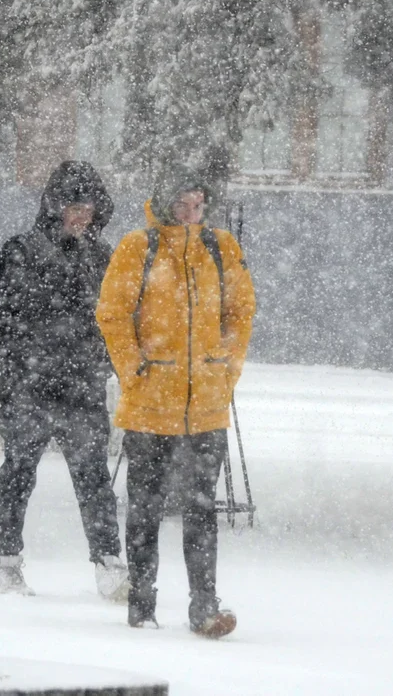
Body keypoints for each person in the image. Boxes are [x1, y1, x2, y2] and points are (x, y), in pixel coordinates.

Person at [95, 163, 256, 637]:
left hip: (206, 408)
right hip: (149, 407)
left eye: (199, 205)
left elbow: (240, 313)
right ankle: (142, 605)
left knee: (202, 512)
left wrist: (226, 368)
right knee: (144, 511)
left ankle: (204, 608)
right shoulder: (137, 248)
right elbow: (113, 315)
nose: (191, 213)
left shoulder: (221, 248)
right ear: (166, 204)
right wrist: (135, 370)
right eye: (183, 204)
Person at [0, 160, 129, 601]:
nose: (81, 216)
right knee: (18, 475)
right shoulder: (19, 252)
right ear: (55, 207)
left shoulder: (103, 259)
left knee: (94, 478)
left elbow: (121, 321)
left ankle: (109, 564)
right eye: (73, 207)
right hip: (29, 391)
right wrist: (16, 363)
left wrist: (109, 364)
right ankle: (5, 564)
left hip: (83, 390)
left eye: (89, 208)